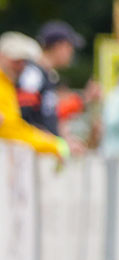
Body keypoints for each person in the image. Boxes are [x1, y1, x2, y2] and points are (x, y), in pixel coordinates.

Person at [0, 32, 70, 163]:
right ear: (2, 56)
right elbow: (10, 130)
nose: (20, 66)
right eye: (16, 61)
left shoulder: (8, 84)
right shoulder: (5, 83)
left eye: (24, 62)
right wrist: (52, 144)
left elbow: (15, 126)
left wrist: (51, 142)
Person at [17, 20, 84, 138]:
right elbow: (23, 116)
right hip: (32, 150)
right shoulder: (34, 74)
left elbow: (48, 115)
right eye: (69, 47)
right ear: (59, 46)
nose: (72, 52)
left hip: (43, 147)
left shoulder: (48, 75)